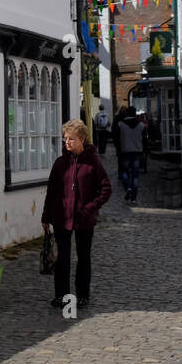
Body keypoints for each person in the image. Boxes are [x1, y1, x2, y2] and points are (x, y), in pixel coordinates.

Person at [42, 119, 112, 308]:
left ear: (82, 139)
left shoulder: (93, 163)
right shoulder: (60, 163)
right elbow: (52, 191)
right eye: (65, 139)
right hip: (61, 217)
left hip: (83, 219)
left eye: (71, 139)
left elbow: (106, 189)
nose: (67, 142)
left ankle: (82, 294)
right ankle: (61, 295)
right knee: (62, 257)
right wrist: (46, 217)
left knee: (83, 257)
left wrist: (90, 208)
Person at [113, 106, 144, 203]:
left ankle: (128, 188)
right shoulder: (141, 125)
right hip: (137, 152)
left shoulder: (120, 124)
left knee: (124, 172)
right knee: (135, 175)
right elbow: (145, 139)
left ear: (126, 113)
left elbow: (115, 138)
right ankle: (134, 197)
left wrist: (119, 149)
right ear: (135, 113)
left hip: (125, 152)